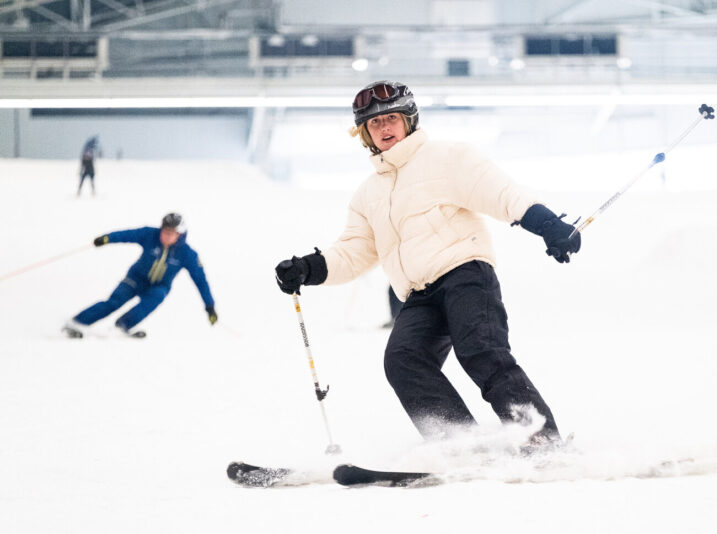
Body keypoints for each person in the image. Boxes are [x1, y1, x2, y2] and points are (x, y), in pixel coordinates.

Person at [274, 81, 581, 449]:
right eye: (375, 124)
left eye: (392, 118)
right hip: (419, 294)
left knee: (481, 352)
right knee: (403, 359)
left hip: (465, 275)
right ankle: (463, 444)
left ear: (409, 120)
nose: (385, 128)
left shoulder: (447, 158)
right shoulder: (368, 194)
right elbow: (355, 251)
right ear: (365, 135)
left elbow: (501, 193)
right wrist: (308, 268)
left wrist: (548, 226)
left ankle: (543, 443)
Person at [62, 213, 217, 339]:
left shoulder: (188, 254)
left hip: (159, 285)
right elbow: (128, 234)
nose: (166, 236)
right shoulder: (150, 235)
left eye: (171, 233)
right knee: (115, 302)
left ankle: (123, 325)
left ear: (179, 234)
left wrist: (209, 306)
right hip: (136, 278)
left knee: (155, 298)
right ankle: (76, 322)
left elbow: (200, 280)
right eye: (164, 231)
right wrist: (107, 238)